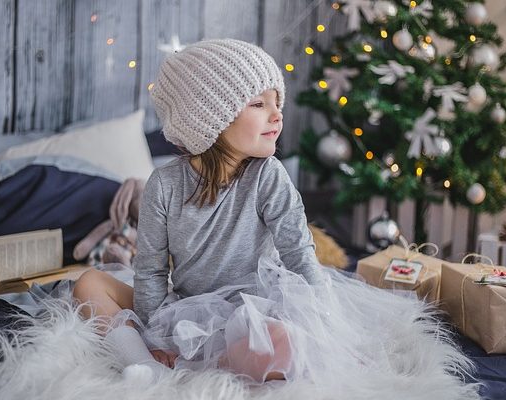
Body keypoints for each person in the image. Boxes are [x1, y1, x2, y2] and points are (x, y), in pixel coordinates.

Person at [73, 38, 477, 393]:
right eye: (259, 104)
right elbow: (150, 271)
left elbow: (300, 253)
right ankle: (145, 365)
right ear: (214, 117)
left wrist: (327, 331)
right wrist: (157, 332)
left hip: (256, 305)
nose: (277, 114)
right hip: (188, 303)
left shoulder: (268, 176)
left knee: (280, 342)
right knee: (88, 282)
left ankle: (193, 368)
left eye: (276, 102)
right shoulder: (164, 184)